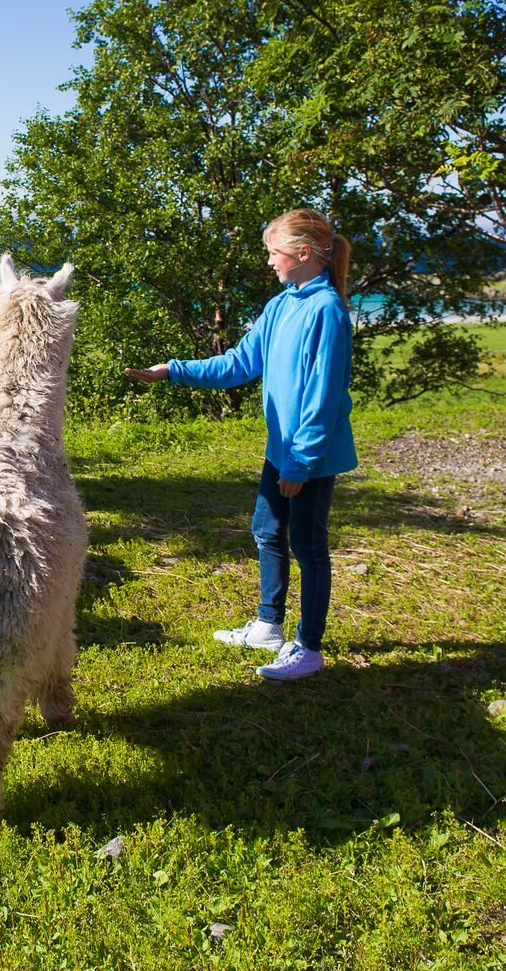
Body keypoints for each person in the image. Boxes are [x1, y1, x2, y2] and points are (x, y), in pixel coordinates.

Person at [124, 208, 357, 681]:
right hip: (283, 450)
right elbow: (237, 364)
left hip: (308, 456)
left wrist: (300, 464)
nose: (269, 261)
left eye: (274, 252)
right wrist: (172, 370)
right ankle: (269, 625)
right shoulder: (283, 304)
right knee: (267, 532)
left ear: (304, 253)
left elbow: (323, 397)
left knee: (308, 547)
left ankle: (308, 647)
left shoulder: (326, 312)